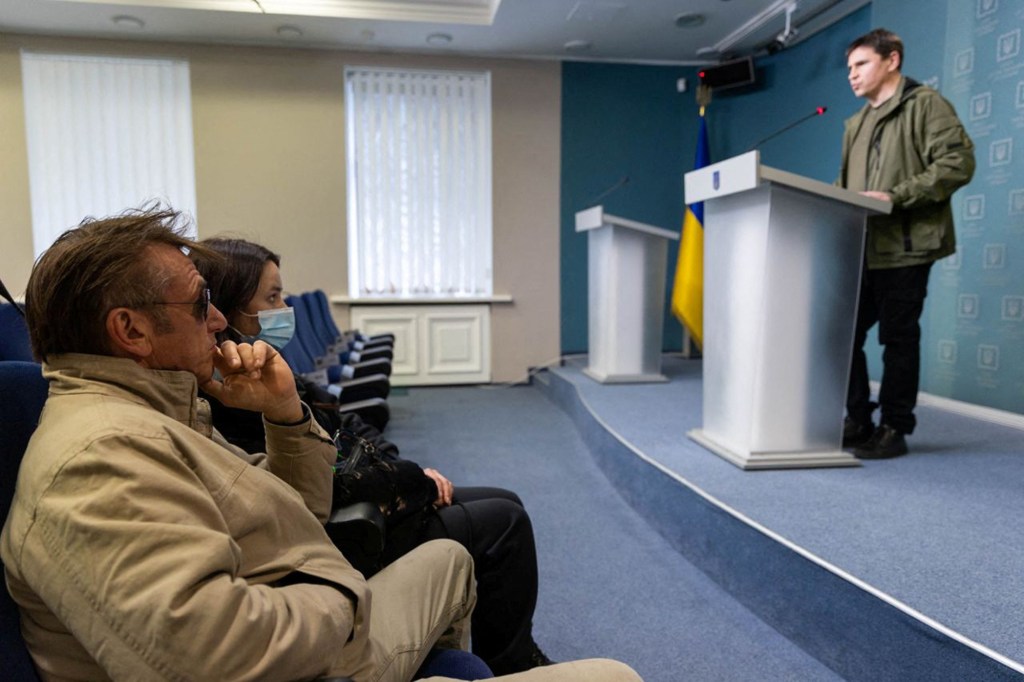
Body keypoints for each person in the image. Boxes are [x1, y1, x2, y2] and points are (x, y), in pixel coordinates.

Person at [0, 208, 641, 682]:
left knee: (450, 556)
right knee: (616, 676)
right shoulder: (98, 459)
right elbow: (208, 657)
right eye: (201, 305)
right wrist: (340, 592)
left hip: (304, 627)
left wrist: (283, 415)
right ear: (131, 330)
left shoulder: (162, 413)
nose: (220, 319)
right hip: (301, 655)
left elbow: (297, 509)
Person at [191, 237, 554, 675]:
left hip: (371, 491)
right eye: (272, 297)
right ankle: (513, 664)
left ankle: (506, 647)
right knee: (504, 523)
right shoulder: (228, 391)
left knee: (506, 501)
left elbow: (341, 422)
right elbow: (315, 488)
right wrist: (414, 480)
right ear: (226, 310)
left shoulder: (270, 363)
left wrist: (403, 467)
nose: (285, 308)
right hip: (351, 527)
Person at [838, 28, 975, 459]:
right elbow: (844, 188)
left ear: (891, 60)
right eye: (848, 68)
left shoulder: (925, 104)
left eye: (860, 64)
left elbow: (958, 162)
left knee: (898, 338)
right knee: (841, 335)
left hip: (906, 244)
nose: (852, 76)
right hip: (860, 245)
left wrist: (897, 197)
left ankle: (895, 428)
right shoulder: (855, 124)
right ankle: (857, 419)